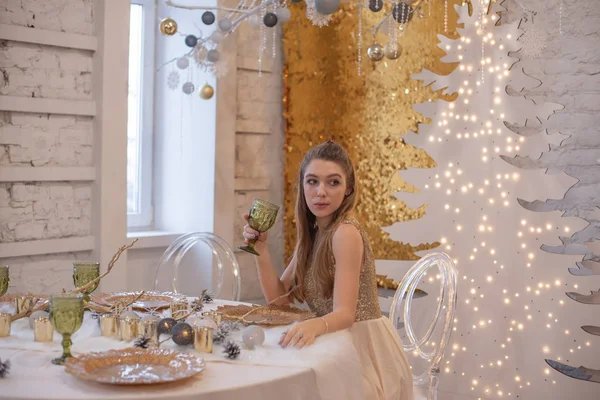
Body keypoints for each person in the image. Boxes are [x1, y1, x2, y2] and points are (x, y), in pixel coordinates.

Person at [242, 141, 414, 399]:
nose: (321, 192)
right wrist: (261, 251)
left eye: (333, 182)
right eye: (312, 181)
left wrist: (313, 325)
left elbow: (345, 314)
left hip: (361, 350)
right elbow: (279, 299)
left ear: (348, 190)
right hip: (333, 340)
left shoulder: (345, 233)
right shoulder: (313, 235)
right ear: (302, 186)